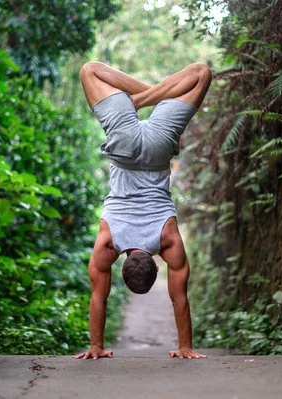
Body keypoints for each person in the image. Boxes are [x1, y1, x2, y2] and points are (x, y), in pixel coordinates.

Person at [72, 61, 212, 360]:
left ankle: (149, 97)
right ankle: (149, 97)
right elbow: (98, 297)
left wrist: (186, 346)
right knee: (89, 70)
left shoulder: (168, 241)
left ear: (156, 264)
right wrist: (96, 347)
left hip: (159, 148)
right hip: (123, 147)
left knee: (201, 73)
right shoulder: (108, 243)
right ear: (121, 267)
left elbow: (180, 299)